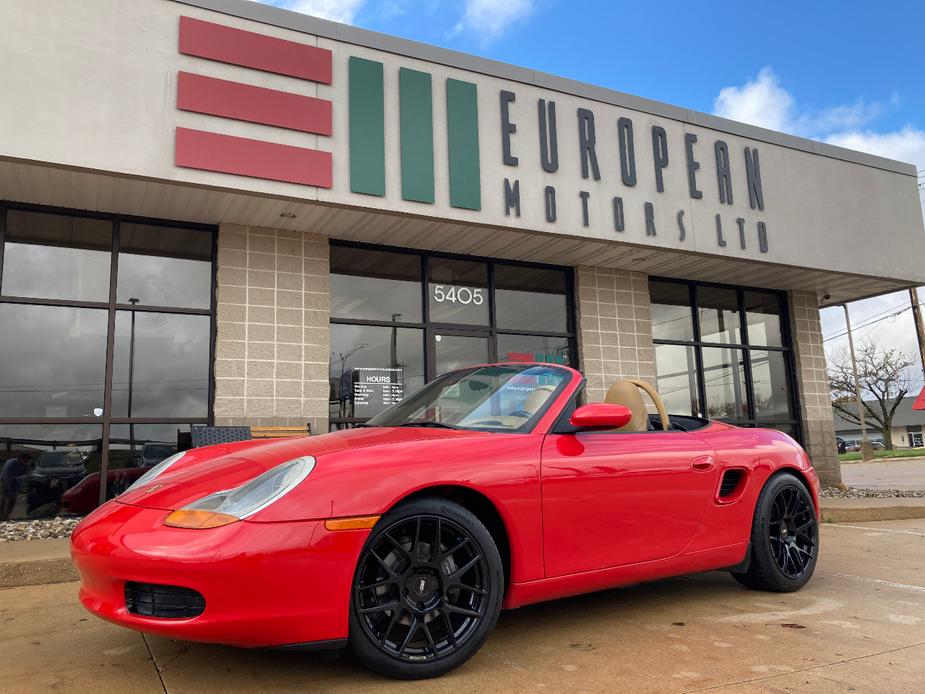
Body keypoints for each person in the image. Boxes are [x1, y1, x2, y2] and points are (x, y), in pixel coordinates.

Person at [1, 453, 33, 521]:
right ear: (21, 459)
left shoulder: (24, 464)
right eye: (26, 460)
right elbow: (7, 478)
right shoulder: (11, 464)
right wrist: (9, 489)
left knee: (13, 499)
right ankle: (1, 516)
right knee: (4, 499)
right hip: (5, 480)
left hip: (15, 481)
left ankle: (6, 516)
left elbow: (27, 473)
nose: (26, 462)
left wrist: (28, 466)